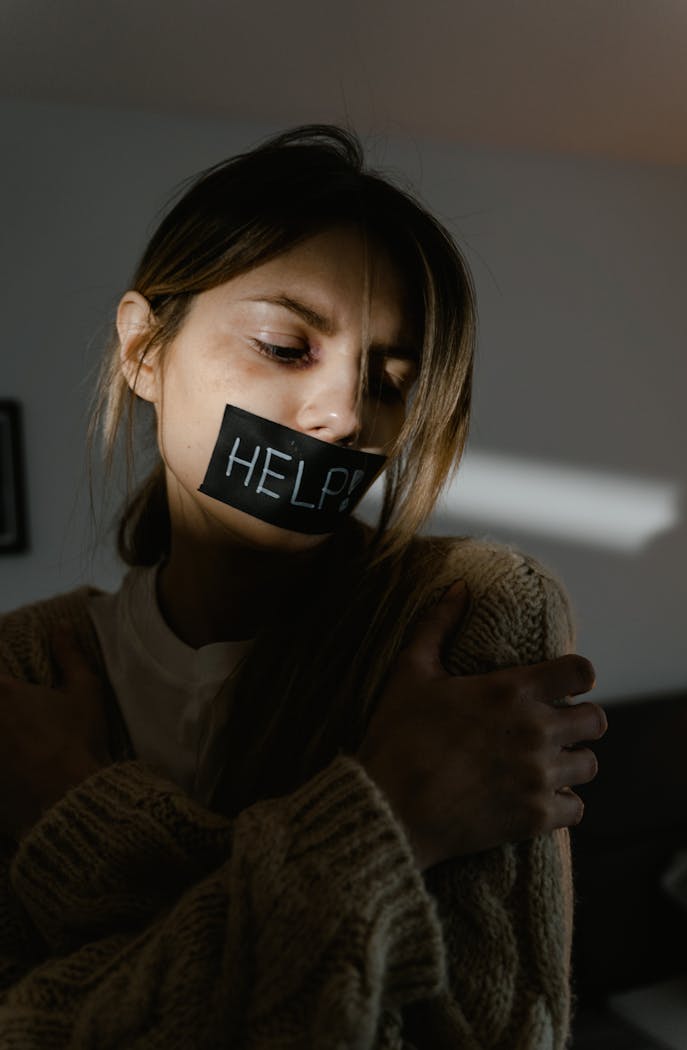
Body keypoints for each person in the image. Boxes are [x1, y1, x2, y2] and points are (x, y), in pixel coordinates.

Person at [0, 125, 606, 1049]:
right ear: (143, 350)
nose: (347, 415)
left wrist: (81, 825)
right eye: (286, 346)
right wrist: (396, 822)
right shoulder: (22, 669)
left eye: (390, 381)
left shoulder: (468, 615)